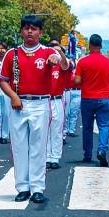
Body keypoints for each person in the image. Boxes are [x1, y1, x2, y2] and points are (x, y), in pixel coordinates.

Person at [0, 15, 68, 204]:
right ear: (21, 31)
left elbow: (64, 65)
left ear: (40, 32)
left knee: (38, 147)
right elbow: (3, 80)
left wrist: (58, 54)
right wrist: (13, 96)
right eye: (26, 28)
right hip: (19, 103)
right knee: (20, 147)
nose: (30, 31)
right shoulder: (12, 54)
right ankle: (22, 187)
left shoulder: (47, 52)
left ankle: (37, 188)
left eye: (34, 28)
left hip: (40, 104)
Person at [74, 34, 109, 166]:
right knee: (104, 126)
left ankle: (87, 154)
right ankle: (102, 150)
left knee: (87, 127)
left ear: (90, 45)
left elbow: (77, 80)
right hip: (104, 98)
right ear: (101, 46)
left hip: (87, 98)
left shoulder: (82, 62)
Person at [45, 42, 69, 170]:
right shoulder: (43, 63)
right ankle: (47, 156)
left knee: (56, 129)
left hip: (57, 100)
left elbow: (66, 64)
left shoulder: (61, 65)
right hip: (44, 100)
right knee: (45, 130)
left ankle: (55, 157)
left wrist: (60, 52)